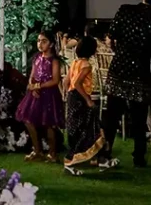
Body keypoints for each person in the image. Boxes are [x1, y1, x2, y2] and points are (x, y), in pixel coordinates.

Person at [102, 0, 151, 168]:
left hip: (119, 70)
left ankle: (105, 152)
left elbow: (110, 38)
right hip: (141, 74)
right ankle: (139, 157)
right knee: (139, 119)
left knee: (111, 116)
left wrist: (119, 52)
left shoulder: (125, 10)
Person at [16, 29, 64, 162]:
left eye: (44, 41)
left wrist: (38, 86)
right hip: (35, 94)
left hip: (49, 95)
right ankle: (37, 150)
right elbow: (32, 75)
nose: (40, 44)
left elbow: (55, 80)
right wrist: (32, 86)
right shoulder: (37, 57)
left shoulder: (54, 60)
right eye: (38, 41)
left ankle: (52, 154)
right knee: (28, 120)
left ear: (51, 44)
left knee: (49, 124)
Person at [64, 36, 110, 175]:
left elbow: (66, 81)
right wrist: (88, 100)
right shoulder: (86, 65)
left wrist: (65, 95)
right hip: (81, 98)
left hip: (72, 97)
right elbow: (77, 83)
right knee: (88, 128)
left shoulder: (74, 62)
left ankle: (100, 158)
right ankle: (72, 160)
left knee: (88, 126)